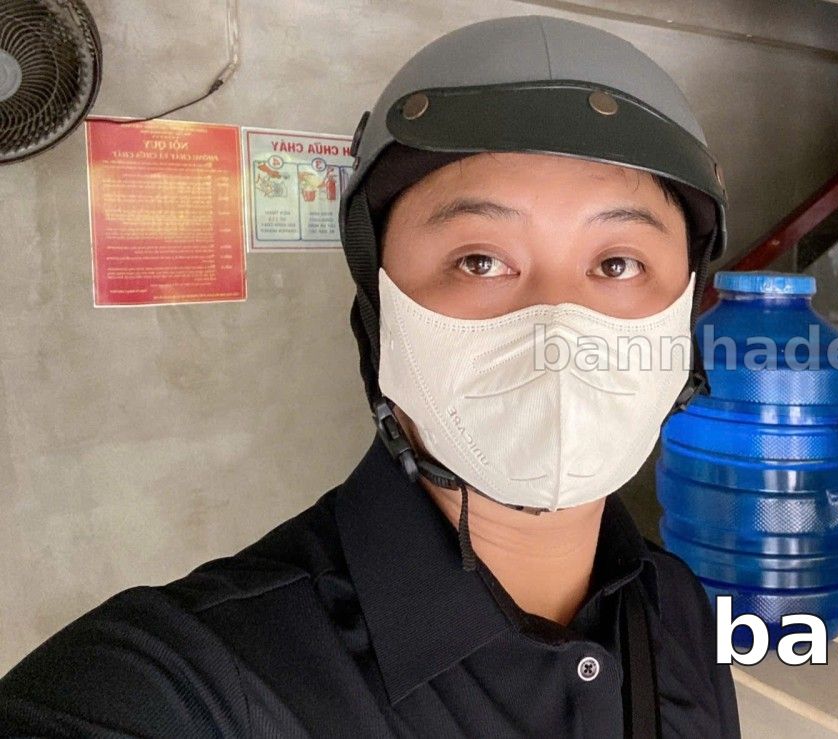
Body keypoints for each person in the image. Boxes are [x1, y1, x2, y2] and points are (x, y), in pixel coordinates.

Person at [0, 16, 739, 738]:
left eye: (618, 264)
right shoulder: (187, 681)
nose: (557, 332)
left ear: (683, 314)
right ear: (381, 315)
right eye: (480, 260)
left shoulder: (681, 611)